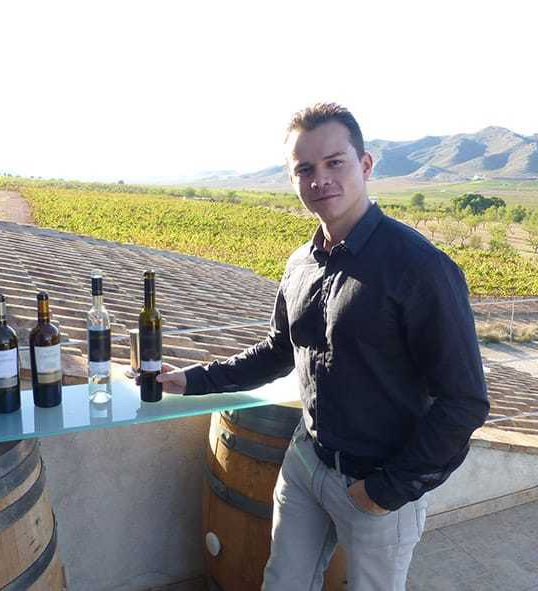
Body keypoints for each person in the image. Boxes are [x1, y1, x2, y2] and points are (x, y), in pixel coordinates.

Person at [155, 103, 489, 591]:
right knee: (282, 582)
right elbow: (277, 351)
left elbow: (465, 402)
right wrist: (189, 380)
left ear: (365, 164)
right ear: (293, 179)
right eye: (305, 169)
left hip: (378, 480)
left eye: (335, 162)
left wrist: (386, 490)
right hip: (306, 461)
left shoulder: (420, 268)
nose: (320, 180)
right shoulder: (301, 264)